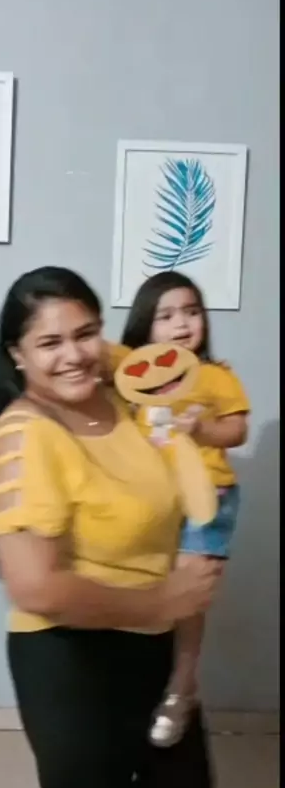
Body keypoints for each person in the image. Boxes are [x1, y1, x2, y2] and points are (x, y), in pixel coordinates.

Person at [0, 266, 223, 788]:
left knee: (182, 785)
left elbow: (143, 366)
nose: (74, 355)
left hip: (149, 642)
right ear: (17, 354)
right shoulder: (24, 438)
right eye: (49, 343)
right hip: (72, 657)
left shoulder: (121, 400)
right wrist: (163, 601)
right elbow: (36, 588)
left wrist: (173, 634)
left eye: (86, 333)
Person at [107, 271, 249, 749]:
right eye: (165, 315)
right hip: (153, 501)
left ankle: (181, 689)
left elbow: (237, 429)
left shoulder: (215, 376)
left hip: (207, 497)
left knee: (188, 599)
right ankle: (137, 685)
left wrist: (203, 430)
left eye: (191, 312)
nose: (182, 324)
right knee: (143, 591)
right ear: (145, 326)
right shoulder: (133, 379)